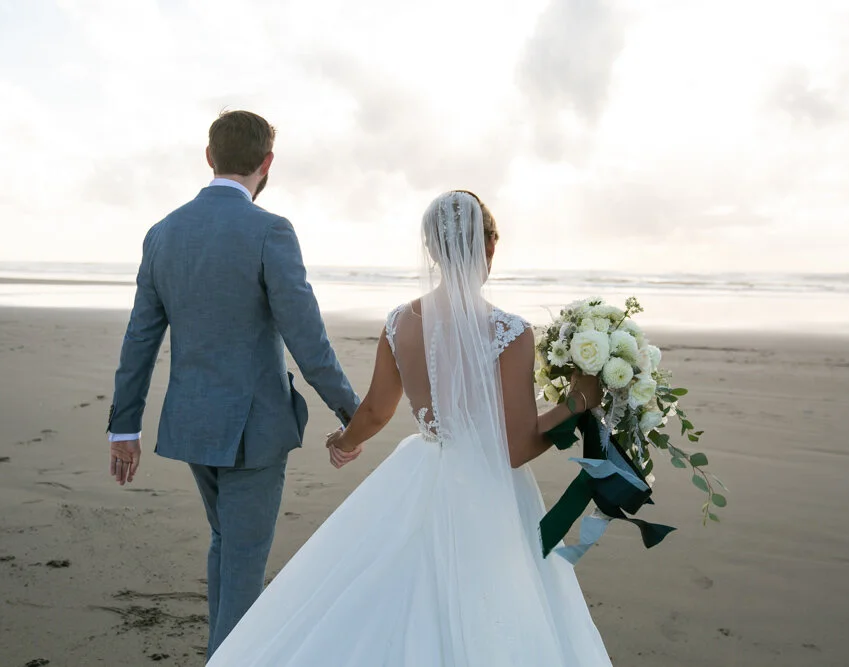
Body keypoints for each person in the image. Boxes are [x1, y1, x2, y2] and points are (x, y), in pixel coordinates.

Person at [208, 190, 612, 666]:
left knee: (388, 591)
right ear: (490, 246)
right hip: (488, 493)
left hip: (419, 468)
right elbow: (516, 448)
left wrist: (345, 440)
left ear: (434, 250)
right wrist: (580, 401)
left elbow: (378, 410)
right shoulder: (511, 331)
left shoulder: (401, 321)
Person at [105, 110, 359, 658]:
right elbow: (307, 341)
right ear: (267, 164)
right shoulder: (270, 231)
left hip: (193, 423)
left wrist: (123, 427)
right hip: (255, 430)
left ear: (209, 157)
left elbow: (139, 339)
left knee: (226, 543)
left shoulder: (163, 232)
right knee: (243, 559)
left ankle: (220, 651)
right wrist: (352, 415)